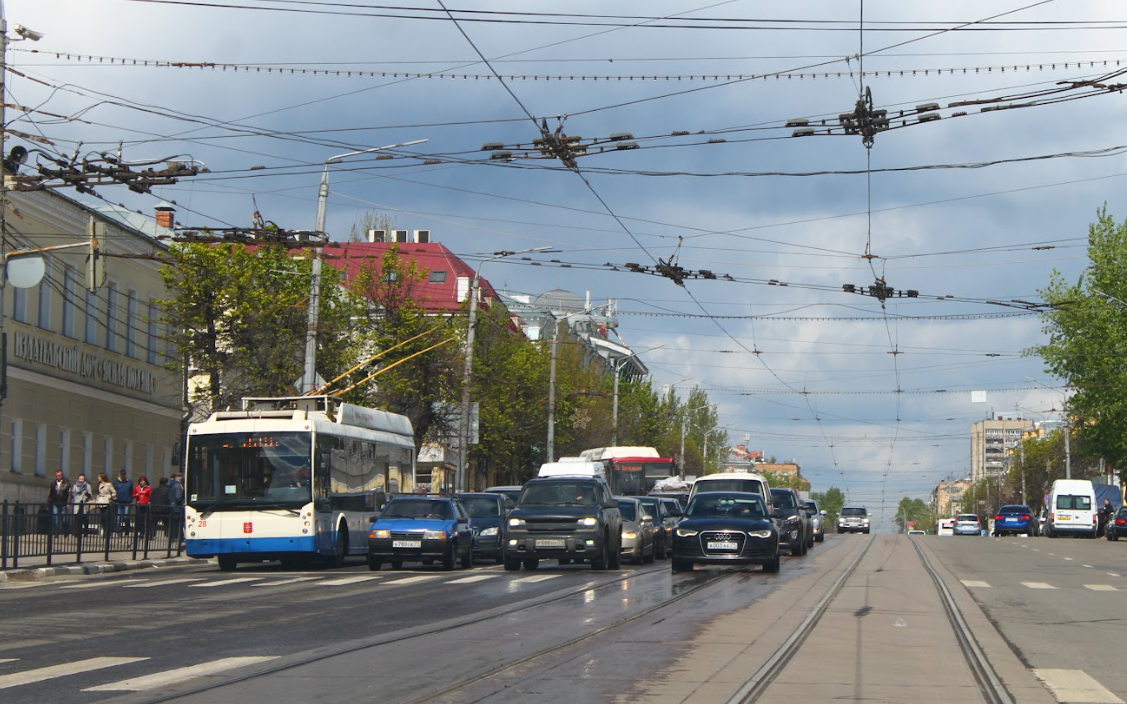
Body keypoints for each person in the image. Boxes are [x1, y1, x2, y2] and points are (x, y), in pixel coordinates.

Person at [168, 473, 185, 542]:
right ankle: (179, 537)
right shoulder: (178, 486)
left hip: (173, 506)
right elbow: (178, 497)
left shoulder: (172, 485)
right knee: (178, 523)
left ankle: (174, 537)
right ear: (179, 478)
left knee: (174, 523)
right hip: (177, 507)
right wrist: (182, 502)